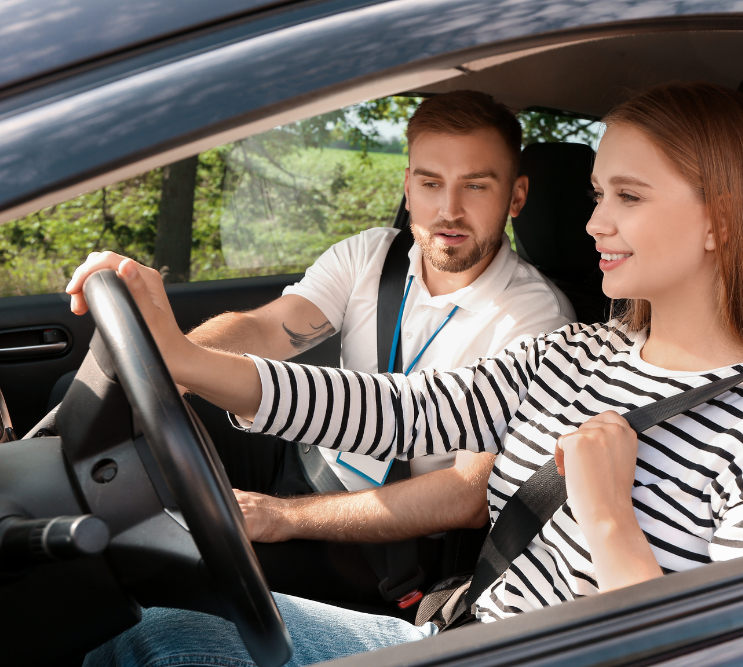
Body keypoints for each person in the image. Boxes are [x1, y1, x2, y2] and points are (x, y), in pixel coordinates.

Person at [78, 81, 743, 666]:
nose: (593, 223)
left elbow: (735, 654)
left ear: (719, 219)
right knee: (147, 634)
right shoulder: (578, 352)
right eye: (596, 194)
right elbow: (402, 411)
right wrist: (187, 359)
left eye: (628, 196)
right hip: (462, 634)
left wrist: (609, 517)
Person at [67, 90, 576, 609]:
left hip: (389, 541)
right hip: (310, 458)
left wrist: (282, 517)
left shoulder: (538, 322)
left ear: (516, 196)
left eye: (475, 186)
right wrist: (164, 368)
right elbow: (266, 330)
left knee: (187, 575)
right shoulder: (372, 255)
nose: (449, 210)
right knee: (94, 409)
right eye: (430, 183)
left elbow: (467, 494)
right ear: (407, 186)